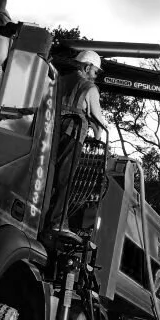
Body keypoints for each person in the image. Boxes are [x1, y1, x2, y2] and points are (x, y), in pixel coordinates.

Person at [46, 50, 108, 242]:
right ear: (87, 67)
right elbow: (98, 121)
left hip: (50, 129)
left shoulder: (59, 79)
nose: (96, 76)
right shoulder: (89, 87)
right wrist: (99, 134)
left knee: (48, 172)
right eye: (95, 71)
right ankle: (57, 222)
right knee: (64, 180)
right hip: (72, 133)